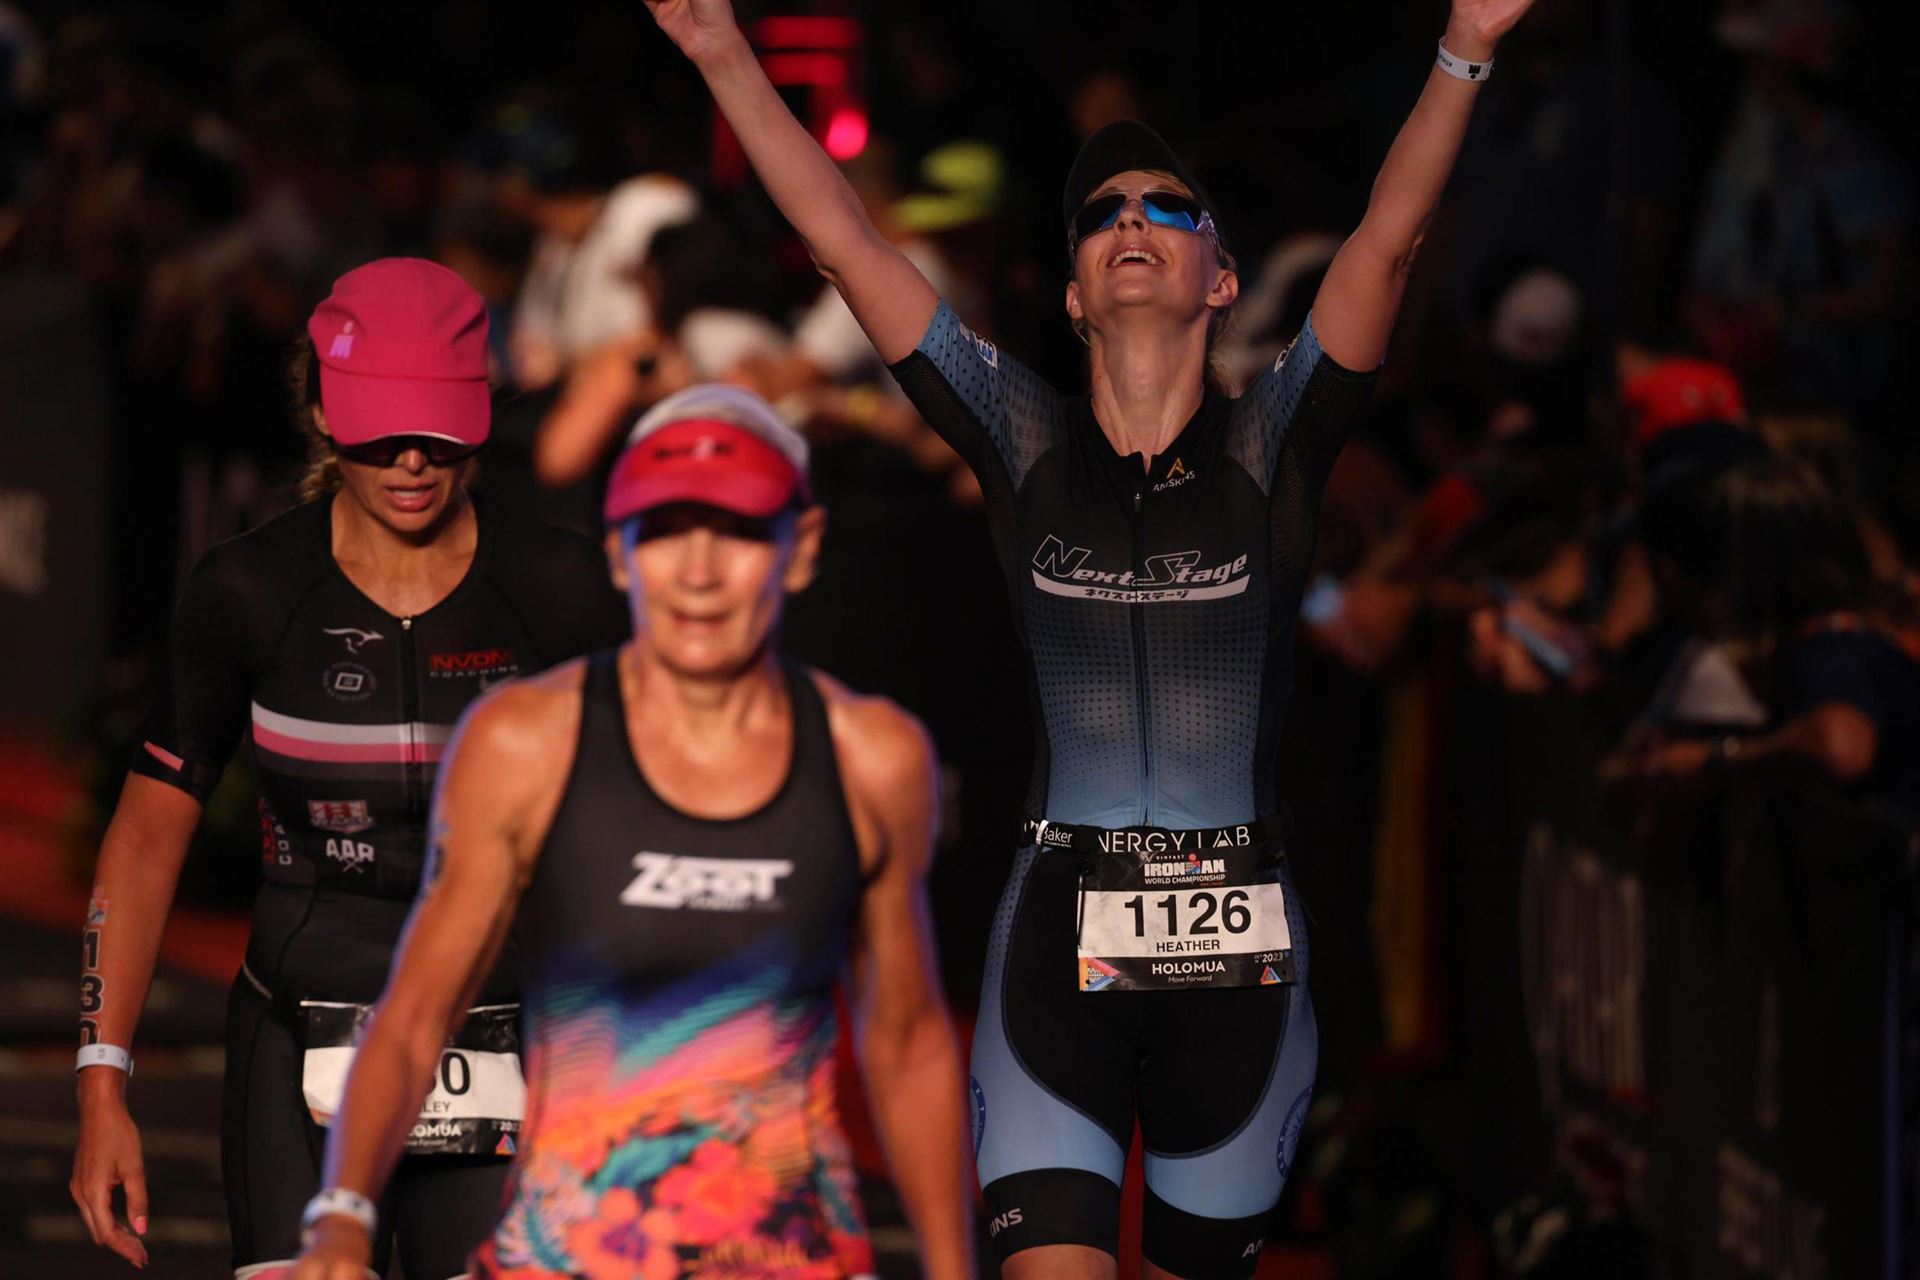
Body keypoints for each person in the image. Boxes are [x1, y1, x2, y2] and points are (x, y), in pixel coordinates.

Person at [643, 0, 1536, 1274]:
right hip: (1055, 949)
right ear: (1071, 293)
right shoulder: (1024, 439)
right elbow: (846, 242)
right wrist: (724, 52)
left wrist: (1467, 47)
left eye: (1169, 208)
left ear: (1222, 280)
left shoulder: (1274, 444)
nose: (1132, 220)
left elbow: (1387, 243)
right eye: (1103, 213)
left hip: (1244, 985)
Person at [292, 384, 974, 1280]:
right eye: (664, 532)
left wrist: (954, 1268)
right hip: (566, 1259)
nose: (698, 572)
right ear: (617, 552)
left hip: (789, 1260)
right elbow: (418, 1016)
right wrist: (342, 1216)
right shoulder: (526, 744)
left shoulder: (872, 759)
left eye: (736, 532)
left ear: (801, 549)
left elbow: (909, 1041)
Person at [70, 257, 629, 1278]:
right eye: (380, 430)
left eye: (439, 430)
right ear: (322, 411)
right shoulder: (246, 589)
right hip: (295, 1041)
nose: (411, 460)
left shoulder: (564, 585)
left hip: (515, 1037)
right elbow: (147, 839)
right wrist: (101, 1080)